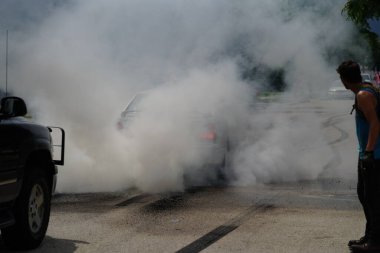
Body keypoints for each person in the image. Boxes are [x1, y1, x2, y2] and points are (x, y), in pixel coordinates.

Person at [337, 60, 380, 252]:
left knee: (372, 198)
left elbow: (375, 123)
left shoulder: (363, 95)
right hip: (367, 154)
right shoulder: (365, 89)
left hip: (374, 155)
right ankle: (370, 235)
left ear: (345, 79)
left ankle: (375, 242)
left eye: (341, 78)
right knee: (365, 195)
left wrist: (369, 152)